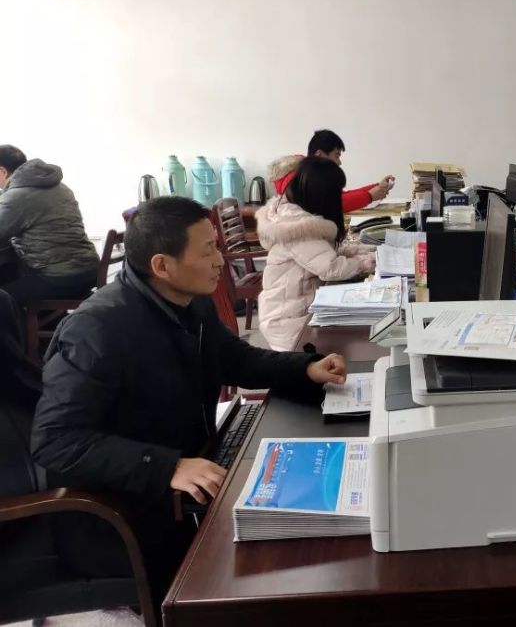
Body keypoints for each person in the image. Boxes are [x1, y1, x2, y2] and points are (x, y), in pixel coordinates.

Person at [30, 196, 350, 602]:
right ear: (162, 265)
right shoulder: (97, 330)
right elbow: (55, 441)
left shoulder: (189, 301)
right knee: (267, 571)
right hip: (122, 513)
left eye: (217, 245)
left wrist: (304, 369)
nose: (221, 261)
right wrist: (168, 466)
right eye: (208, 251)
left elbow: (234, 359)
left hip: (187, 482)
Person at [257, 157, 376, 351]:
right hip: (290, 321)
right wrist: (364, 263)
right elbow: (331, 268)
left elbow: (323, 252)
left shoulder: (293, 214)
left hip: (296, 309)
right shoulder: (297, 227)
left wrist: (360, 250)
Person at [0, 145, 100, 305]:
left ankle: (27, 322)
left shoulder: (17, 196)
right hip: (90, 270)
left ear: (3, 171)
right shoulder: (59, 186)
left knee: (4, 298)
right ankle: (50, 320)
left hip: (61, 277)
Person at [269, 129, 394, 213]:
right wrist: (370, 196)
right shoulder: (301, 179)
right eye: (336, 156)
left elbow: (339, 196)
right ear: (319, 155)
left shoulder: (311, 175)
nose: (339, 163)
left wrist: (376, 187)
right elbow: (331, 205)